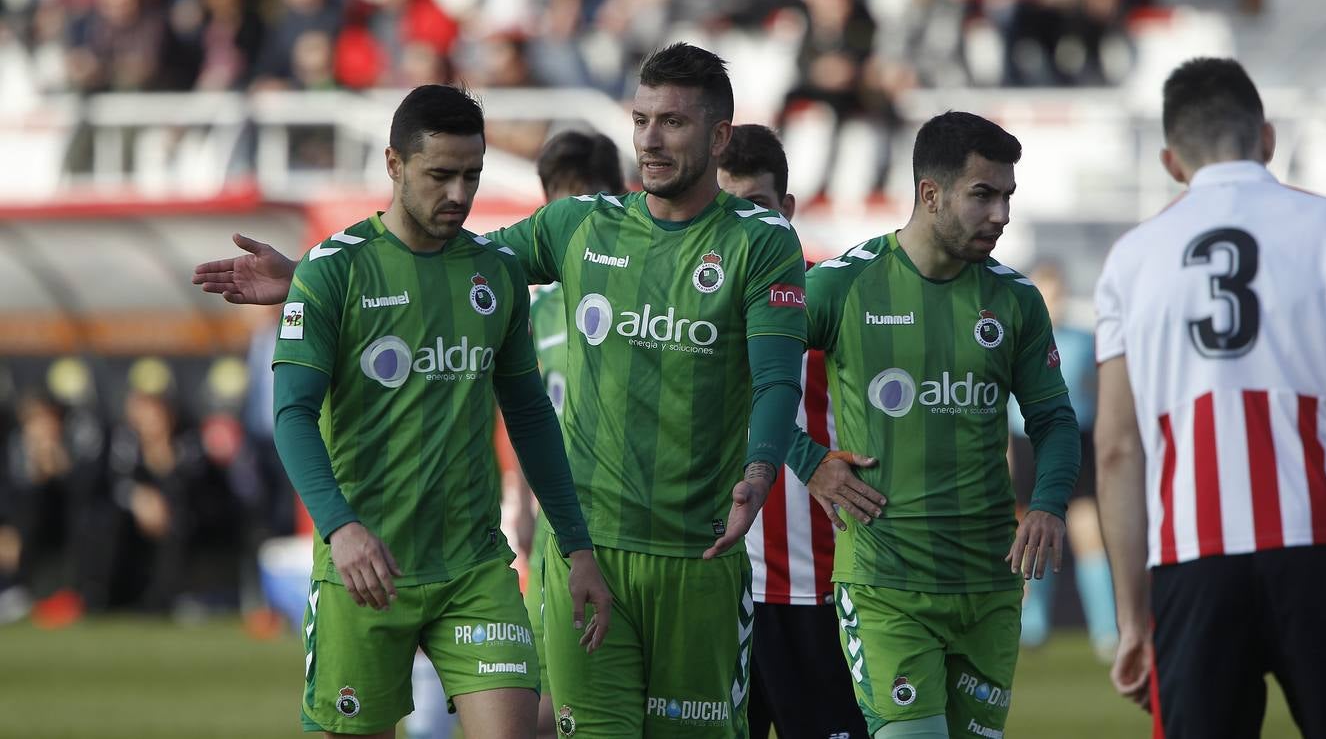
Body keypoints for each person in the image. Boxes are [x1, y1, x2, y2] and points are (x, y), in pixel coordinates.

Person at [192, 45, 880, 737]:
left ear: (719, 135)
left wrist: (761, 470)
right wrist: (317, 277)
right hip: (591, 554)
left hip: (697, 560)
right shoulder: (581, 226)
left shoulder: (758, 242)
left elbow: (776, 376)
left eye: (672, 122)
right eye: (641, 119)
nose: (650, 138)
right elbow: (448, 260)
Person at [267, 85, 612, 739]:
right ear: (394, 164)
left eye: (472, 176)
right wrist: (340, 527)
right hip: (365, 568)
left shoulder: (496, 274)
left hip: (473, 568)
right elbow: (292, 416)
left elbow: (532, 419)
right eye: (440, 175)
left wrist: (576, 546)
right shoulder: (330, 272)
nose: (459, 194)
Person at [1094, 57, 1326, 739]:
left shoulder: (1131, 258)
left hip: (1191, 560)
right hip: (1321, 546)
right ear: (1266, 138)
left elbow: (1118, 448)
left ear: (1171, 161)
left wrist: (1131, 619)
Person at [805, 111, 1081, 739]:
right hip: (886, 582)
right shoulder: (843, 286)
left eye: (1007, 196)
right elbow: (743, 379)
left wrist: (1048, 504)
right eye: (983, 194)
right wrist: (807, 460)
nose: (1001, 214)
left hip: (990, 584)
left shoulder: (1015, 299)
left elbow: (1054, 420)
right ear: (929, 194)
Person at [717, 124, 871, 739]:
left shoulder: (831, 295)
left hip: (821, 591)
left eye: (756, 207)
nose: (742, 224)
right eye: (727, 208)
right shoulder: (699, 303)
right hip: (726, 589)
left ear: (788, 209)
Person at [519, 129, 626, 738]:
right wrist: (521, 505)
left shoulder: (641, 297)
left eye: (583, 201)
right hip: (556, 527)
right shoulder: (538, 310)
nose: (571, 221)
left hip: (626, 520)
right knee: (537, 698)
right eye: (557, 204)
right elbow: (527, 411)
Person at [1006, 260, 1115, 659]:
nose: (1052, 300)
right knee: (1029, 536)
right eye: (1044, 292)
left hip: (1076, 440)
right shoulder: (1016, 340)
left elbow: (1098, 395)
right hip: (1025, 442)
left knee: (1089, 535)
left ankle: (1107, 629)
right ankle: (1031, 625)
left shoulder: (1083, 341)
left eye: (1057, 291)